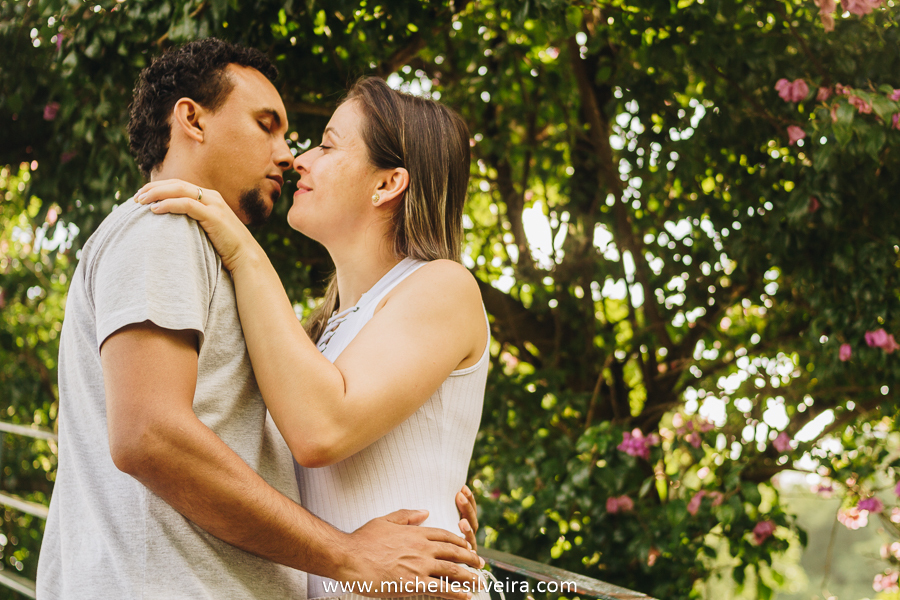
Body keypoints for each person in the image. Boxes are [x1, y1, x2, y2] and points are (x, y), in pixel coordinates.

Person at [37, 39, 481, 600]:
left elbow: (318, 438)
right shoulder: (165, 228)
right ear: (192, 120)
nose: (293, 156)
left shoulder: (421, 291)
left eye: (323, 145)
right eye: (267, 125)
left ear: (389, 183)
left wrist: (439, 498)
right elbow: (150, 434)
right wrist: (351, 555)